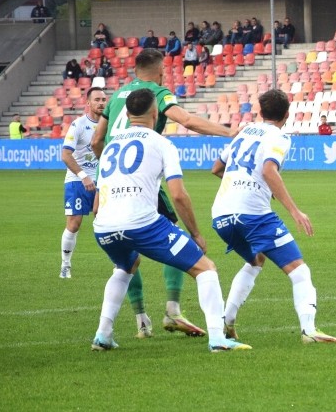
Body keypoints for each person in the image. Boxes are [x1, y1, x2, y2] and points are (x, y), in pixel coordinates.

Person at [91, 48, 237, 339]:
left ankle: (131, 322)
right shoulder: (156, 92)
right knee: (179, 238)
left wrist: (105, 174)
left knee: (126, 261)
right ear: (161, 70)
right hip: (141, 176)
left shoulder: (119, 94)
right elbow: (188, 121)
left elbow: (97, 141)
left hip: (108, 181)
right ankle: (174, 310)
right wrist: (229, 132)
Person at [210, 90, 336, 344]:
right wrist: (295, 211)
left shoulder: (245, 132)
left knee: (256, 260)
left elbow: (216, 168)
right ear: (287, 115)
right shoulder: (279, 136)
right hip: (253, 215)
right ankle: (309, 330)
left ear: (260, 112)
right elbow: (269, 170)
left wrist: (244, 185)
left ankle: (227, 322)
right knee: (299, 271)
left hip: (221, 215)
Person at [59, 87, 106, 279]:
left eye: (104, 99)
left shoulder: (109, 126)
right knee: (74, 224)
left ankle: (120, 264)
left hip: (102, 181)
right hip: (77, 180)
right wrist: (83, 176)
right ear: (88, 103)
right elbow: (65, 154)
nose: (101, 103)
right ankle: (65, 265)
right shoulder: (78, 125)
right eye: (97, 99)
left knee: (109, 221)